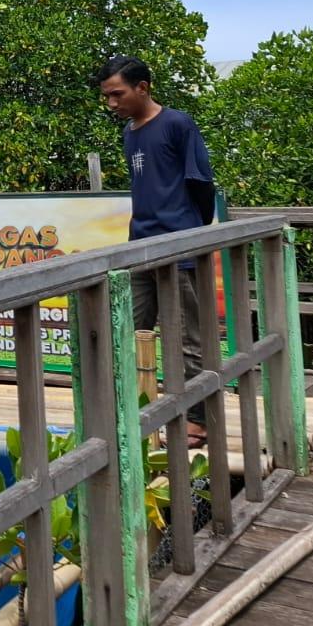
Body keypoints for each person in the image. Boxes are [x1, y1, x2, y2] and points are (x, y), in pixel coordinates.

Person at [97, 54, 215, 448]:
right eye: (107, 97)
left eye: (118, 94)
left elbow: (201, 184)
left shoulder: (177, 124)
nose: (112, 104)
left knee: (186, 340)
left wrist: (190, 235)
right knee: (129, 331)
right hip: (141, 247)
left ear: (142, 87)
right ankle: (136, 410)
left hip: (178, 248)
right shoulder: (131, 132)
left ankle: (197, 422)